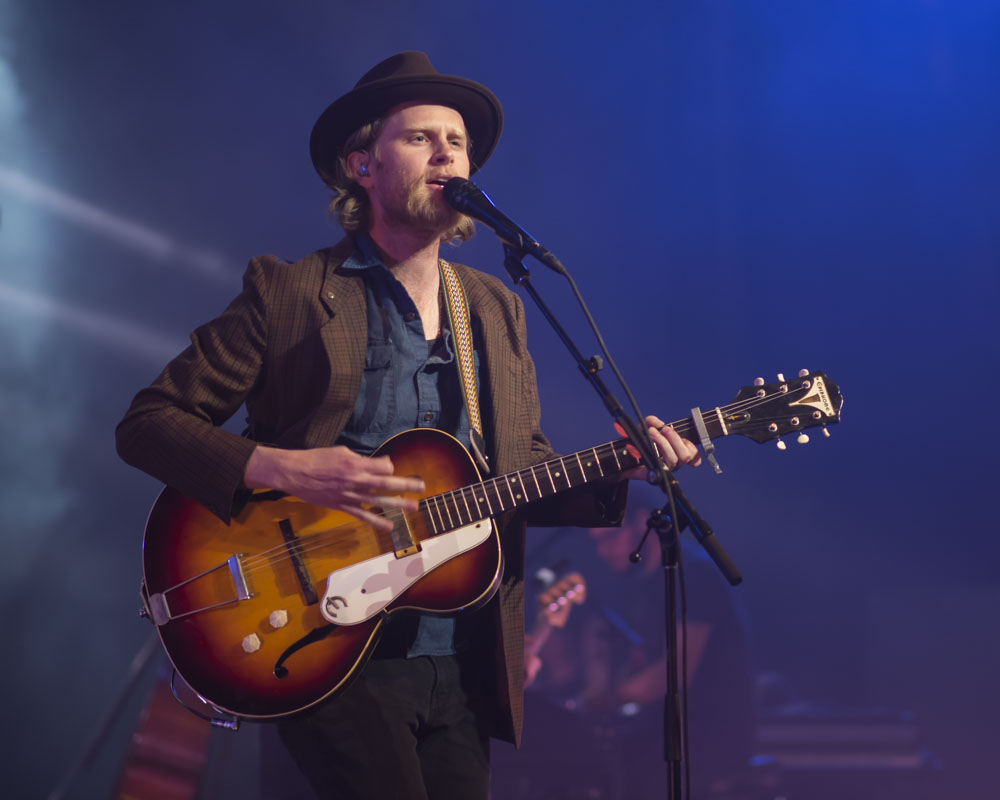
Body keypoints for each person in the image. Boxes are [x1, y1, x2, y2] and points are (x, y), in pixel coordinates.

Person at [115, 51, 701, 800]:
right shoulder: (290, 293)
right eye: (422, 138)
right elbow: (148, 424)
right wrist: (285, 467)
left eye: (457, 143)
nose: (447, 154)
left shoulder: (496, 307)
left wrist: (620, 467)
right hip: (322, 640)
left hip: (459, 655)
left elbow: (516, 475)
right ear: (362, 164)